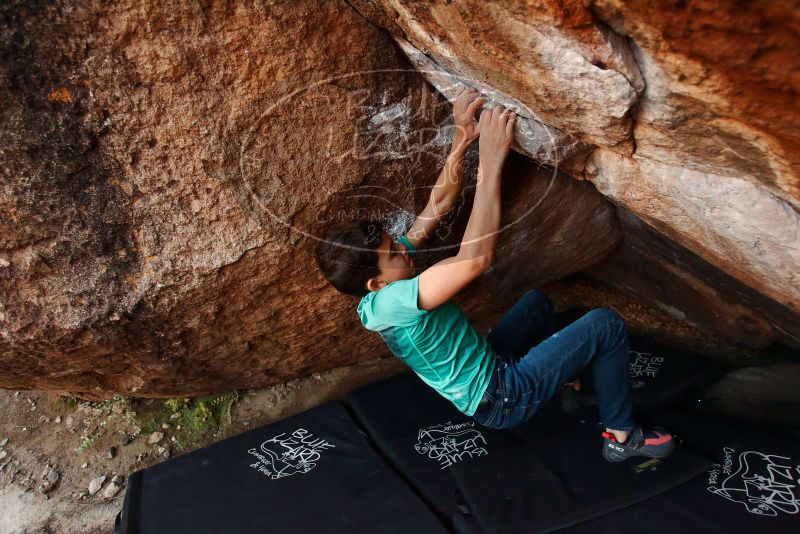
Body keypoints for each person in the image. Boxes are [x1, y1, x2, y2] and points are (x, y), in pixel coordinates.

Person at [315, 86, 675, 462]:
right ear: (376, 283)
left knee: (536, 303)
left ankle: (569, 381)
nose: (402, 249)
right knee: (604, 324)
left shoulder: (385, 287)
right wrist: (491, 160)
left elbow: (436, 205)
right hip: (503, 397)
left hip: (491, 363)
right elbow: (475, 260)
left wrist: (462, 137)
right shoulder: (393, 302)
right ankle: (621, 436)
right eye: (392, 253)